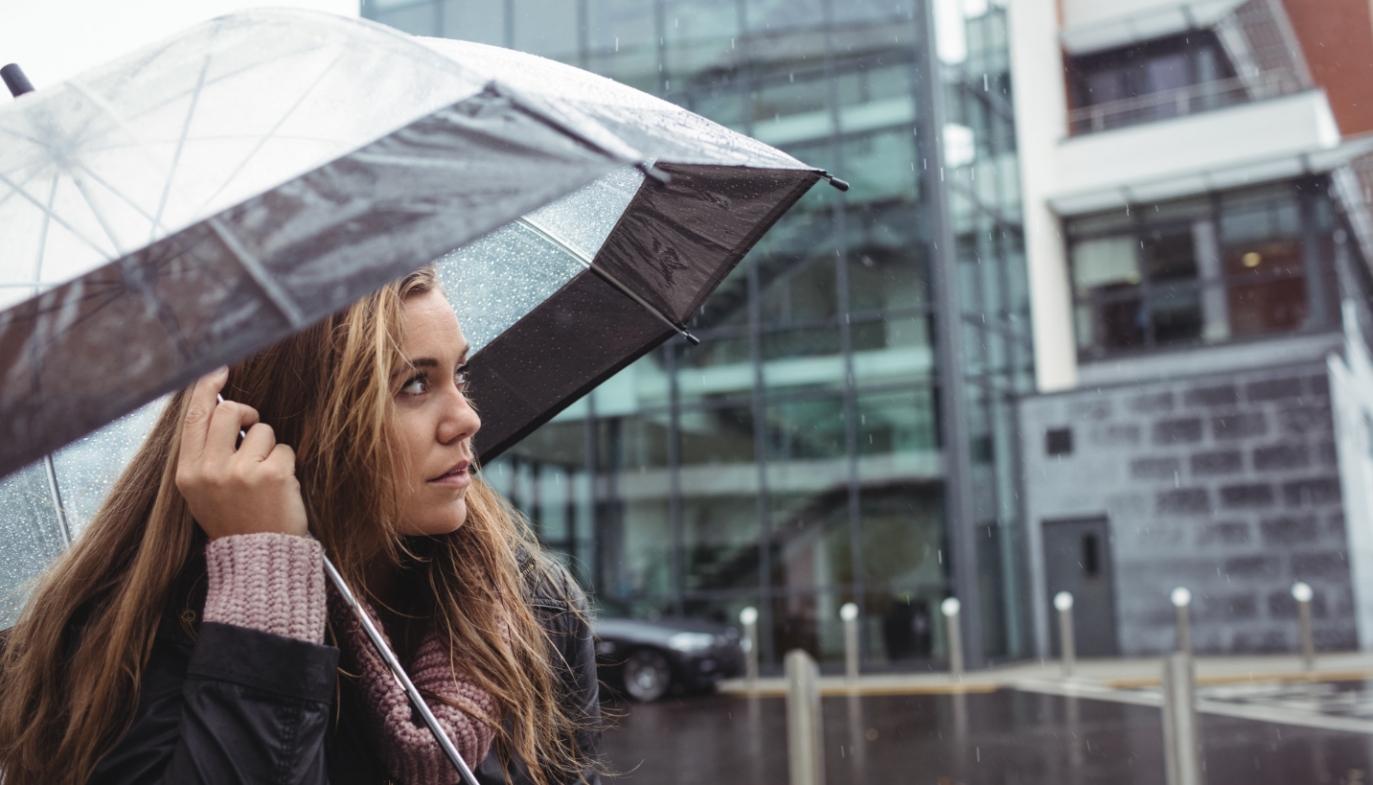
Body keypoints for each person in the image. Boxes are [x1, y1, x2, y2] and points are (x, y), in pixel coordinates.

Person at [0, 268, 601, 785]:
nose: (466, 418)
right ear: (285, 428)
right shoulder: (123, 647)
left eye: (458, 376)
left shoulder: (536, 611)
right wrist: (263, 587)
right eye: (414, 384)